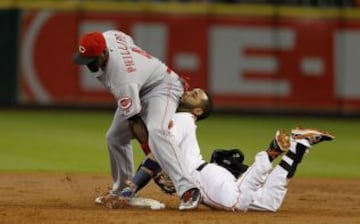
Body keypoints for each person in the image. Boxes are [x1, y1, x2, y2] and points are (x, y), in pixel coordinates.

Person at [109, 87, 335, 211]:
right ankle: (298, 147)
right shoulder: (180, 119)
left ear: (197, 111)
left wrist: (131, 189)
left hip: (202, 178)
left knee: (236, 203)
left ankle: (272, 152)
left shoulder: (181, 119)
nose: (190, 92)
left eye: (195, 95)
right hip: (209, 176)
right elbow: (159, 152)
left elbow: (156, 154)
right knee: (268, 204)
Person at [72, 30, 200, 210]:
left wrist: (151, 159)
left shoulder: (121, 78)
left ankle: (189, 189)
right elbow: (126, 39)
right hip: (140, 87)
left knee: (157, 130)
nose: (88, 65)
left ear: (103, 52)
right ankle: (124, 189)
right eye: (85, 59)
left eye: (92, 60)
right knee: (115, 137)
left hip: (163, 87)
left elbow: (135, 122)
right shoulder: (109, 36)